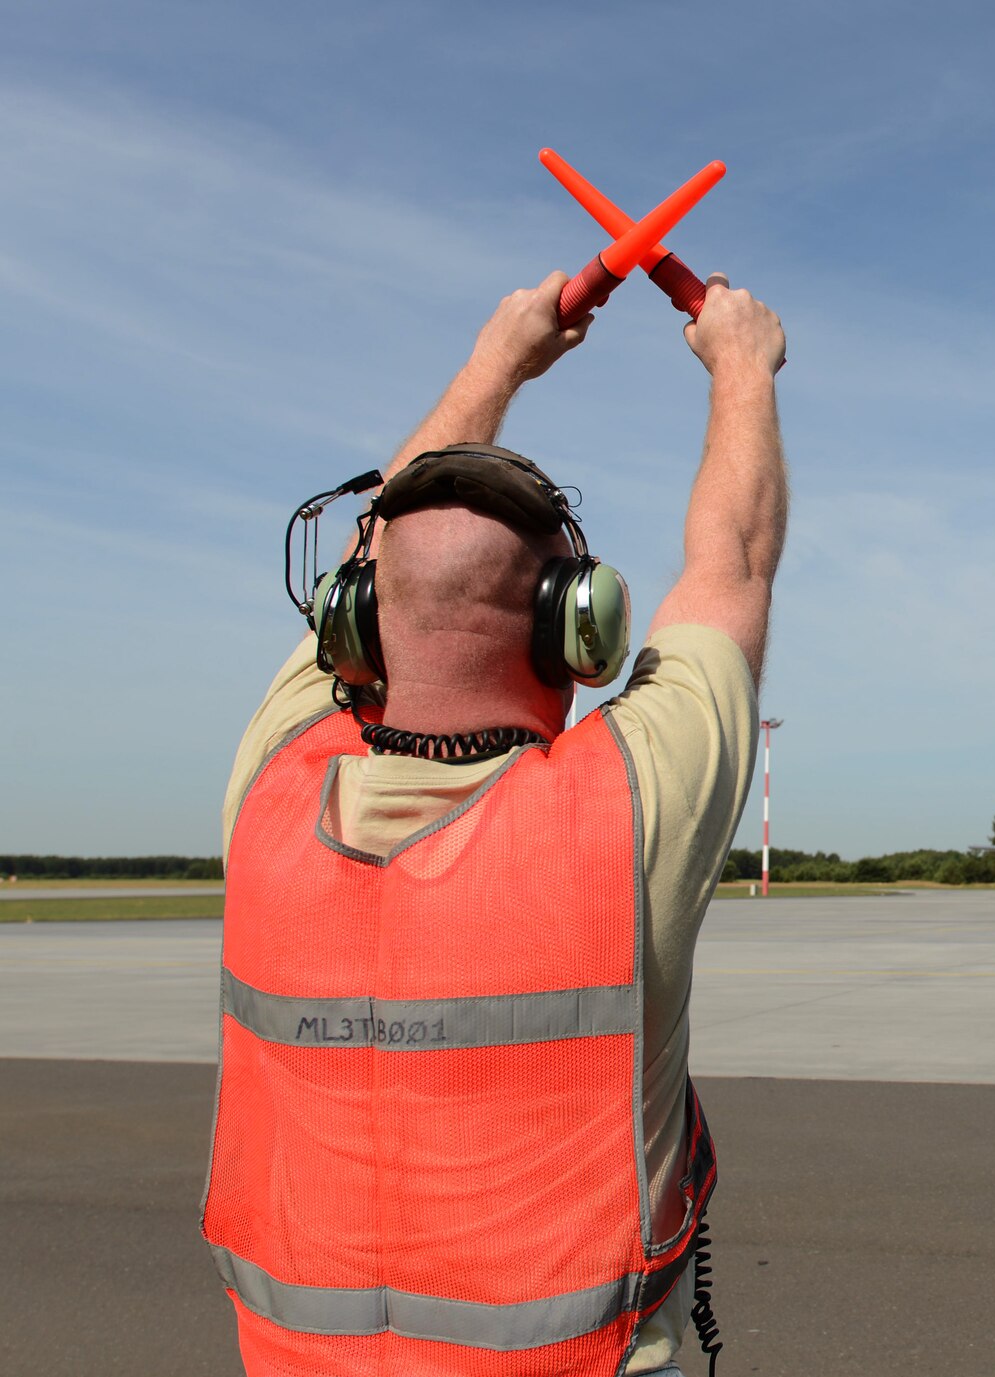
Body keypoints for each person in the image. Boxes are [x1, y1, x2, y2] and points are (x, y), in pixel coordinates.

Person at [204, 268, 787, 1376]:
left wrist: (498, 359)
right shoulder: (623, 808)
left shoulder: (271, 786)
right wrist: (742, 368)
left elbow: (372, 563)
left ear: (356, 625)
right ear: (579, 631)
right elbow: (732, 564)